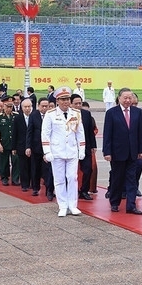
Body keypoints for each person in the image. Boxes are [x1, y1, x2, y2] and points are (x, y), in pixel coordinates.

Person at [41, 86, 86, 217]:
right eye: (63, 99)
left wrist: (81, 148)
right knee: (59, 179)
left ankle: (73, 205)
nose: (66, 102)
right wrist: (47, 151)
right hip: (57, 151)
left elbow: (80, 133)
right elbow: (45, 134)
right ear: (57, 101)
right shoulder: (50, 114)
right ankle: (62, 205)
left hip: (72, 151)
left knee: (72, 178)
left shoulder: (76, 114)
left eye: (67, 99)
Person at [103, 88, 142, 214]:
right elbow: (107, 134)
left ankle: (131, 205)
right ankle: (114, 203)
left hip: (133, 152)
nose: (127, 100)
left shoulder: (138, 112)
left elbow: (140, 133)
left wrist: (141, 150)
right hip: (117, 152)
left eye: (130, 98)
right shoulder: (111, 113)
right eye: (125, 98)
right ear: (119, 98)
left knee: (132, 179)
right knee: (117, 178)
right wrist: (107, 152)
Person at [71, 94, 96, 201]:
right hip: (71, 147)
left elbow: (90, 132)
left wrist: (93, 146)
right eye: (76, 104)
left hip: (84, 147)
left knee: (88, 169)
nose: (78, 105)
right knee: (70, 172)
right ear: (71, 104)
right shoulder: (67, 114)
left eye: (80, 103)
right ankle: (71, 190)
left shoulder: (86, 114)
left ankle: (84, 191)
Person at [26, 98, 52, 198]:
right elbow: (30, 132)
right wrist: (28, 146)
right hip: (36, 147)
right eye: (43, 106)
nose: (45, 108)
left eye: (47, 106)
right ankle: (35, 188)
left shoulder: (51, 116)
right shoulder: (34, 115)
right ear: (38, 106)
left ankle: (49, 191)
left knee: (48, 170)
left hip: (49, 148)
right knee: (35, 169)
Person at [0, 95, 17, 186]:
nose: (9, 108)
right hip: (4, 143)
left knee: (16, 161)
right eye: (7, 106)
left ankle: (15, 178)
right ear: (3, 106)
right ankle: (4, 177)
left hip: (14, 144)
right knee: (4, 162)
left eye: (11, 106)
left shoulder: (16, 116)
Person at [12, 98, 33, 192]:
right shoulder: (17, 118)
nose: (27, 109)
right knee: (23, 166)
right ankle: (24, 184)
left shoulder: (34, 116)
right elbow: (14, 133)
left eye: (29, 106)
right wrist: (14, 147)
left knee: (32, 166)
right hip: (21, 146)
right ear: (22, 107)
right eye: (25, 107)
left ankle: (32, 183)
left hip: (33, 146)